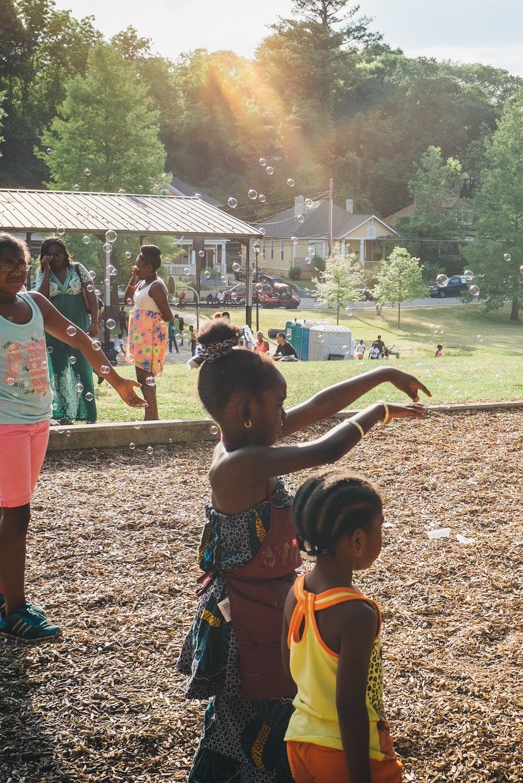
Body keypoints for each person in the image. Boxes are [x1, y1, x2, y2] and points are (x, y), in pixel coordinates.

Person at [176, 319, 428, 783]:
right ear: (247, 409)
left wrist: (383, 373)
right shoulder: (237, 466)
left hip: (268, 605)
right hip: (242, 621)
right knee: (244, 721)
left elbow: (319, 406)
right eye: (280, 405)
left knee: (267, 716)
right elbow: (327, 449)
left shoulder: (251, 436)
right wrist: (378, 411)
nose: (287, 414)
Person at [0, 233, 146, 642]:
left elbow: (80, 338)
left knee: (10, 505)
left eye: (21, 262)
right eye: (5, 263)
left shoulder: (36, 303)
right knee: (18, 513)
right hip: (2, 422)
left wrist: (115, 381)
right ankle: (15, 612)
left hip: (38, 419)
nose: (17, 269)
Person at [284, 471, 405, 783]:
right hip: (345, 755)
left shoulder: (297, 592)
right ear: (358, 539)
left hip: (299, 741)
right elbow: (349, 707)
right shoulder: (357, 614)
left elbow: (289, 671)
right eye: (379, 528)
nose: (382, 537)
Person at [36, 237, 100, 424]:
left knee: (82, 367)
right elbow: (40, 297)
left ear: (64, 253)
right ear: (44, 257)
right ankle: (65, 414)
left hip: (78, 324)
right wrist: (47, 271)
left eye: (59, 253)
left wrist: (95, 321)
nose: (56, 257)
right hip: (53, 328)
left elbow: (92, 296)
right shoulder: (42, 273)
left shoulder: (78, 269)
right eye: (51, 255)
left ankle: (90, 415)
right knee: (59, 370)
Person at [124, 245, 174, 421]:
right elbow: (127, 299)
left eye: (138, 266)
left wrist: (149, 321)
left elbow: (168, 316)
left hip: (149, 336)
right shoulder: (142, 282)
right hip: (140, 335)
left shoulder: (156, 286)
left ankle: (152, 417)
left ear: (149, 267)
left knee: (146, 378)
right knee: (141, 376)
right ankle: (150, 416)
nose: (135, 268)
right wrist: (133, 277)